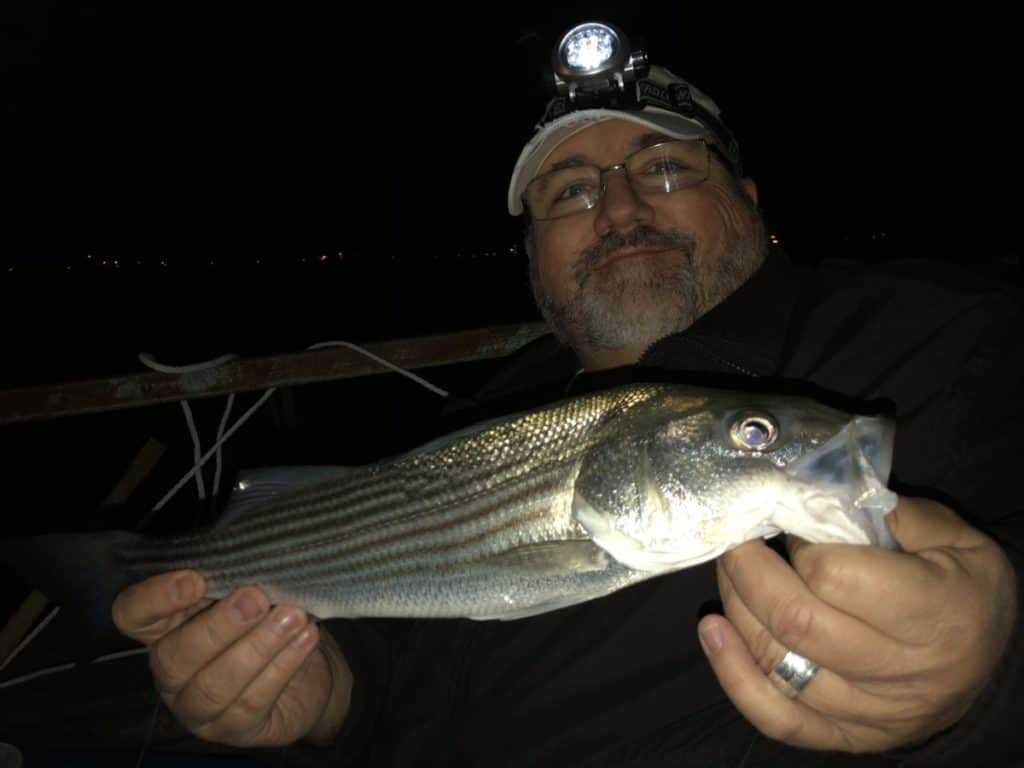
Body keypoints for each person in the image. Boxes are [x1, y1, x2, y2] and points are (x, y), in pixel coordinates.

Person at [111, 23, 1023, 766]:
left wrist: (976, 687)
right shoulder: (485, 414)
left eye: (666, 168)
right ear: (533, 258)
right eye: (572, 192)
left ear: (750, 202)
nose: (621, 208)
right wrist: (322, 699)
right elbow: (395, 665)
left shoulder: (940, 338)